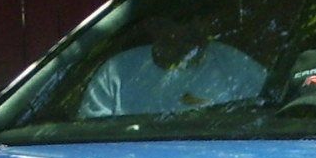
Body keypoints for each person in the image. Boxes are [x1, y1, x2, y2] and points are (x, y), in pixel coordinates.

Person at [80, 17, 264, 118]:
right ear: (153, 27)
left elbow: (264, 112)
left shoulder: (233, 64)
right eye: (178, 21)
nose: (190, 30)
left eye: (197, 19)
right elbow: (90, 131)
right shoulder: (117, 71)